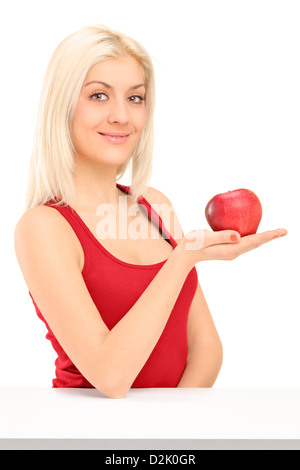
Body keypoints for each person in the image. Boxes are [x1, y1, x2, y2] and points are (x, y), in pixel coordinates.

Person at [14, 24, 287, 399]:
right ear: (62, 105)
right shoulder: (43, 227)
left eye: (135, 98)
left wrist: (167, 432)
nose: (122, 116)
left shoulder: (154, 205)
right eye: (98, 95)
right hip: (85, 433)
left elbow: (207, 350)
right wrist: (181, 262)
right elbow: (110, 377)